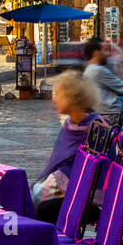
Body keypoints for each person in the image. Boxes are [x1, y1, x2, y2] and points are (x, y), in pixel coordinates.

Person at [33, 72, 101, 222]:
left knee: (40, 204)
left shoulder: (95, 128)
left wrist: (61, 181)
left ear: (72, 98)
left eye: (59, 94)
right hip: (68, 185)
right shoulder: (71, 124)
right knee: (28, 195)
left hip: (87, 194)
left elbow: (94, 170)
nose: (55, 99)